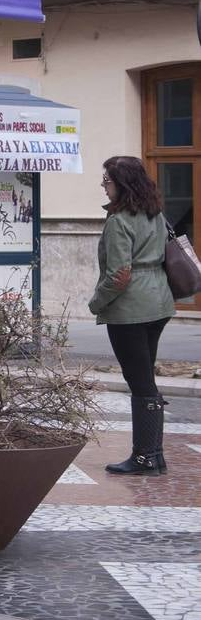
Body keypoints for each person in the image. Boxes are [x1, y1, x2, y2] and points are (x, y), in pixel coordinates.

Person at [89, 156, 175, 476]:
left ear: (122, 184)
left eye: (107, 179)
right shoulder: (155, 214)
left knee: (140, 382)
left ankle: (144, 458)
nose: (103, 184)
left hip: (130, 310)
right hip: (159, 304)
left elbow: (119, 275)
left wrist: (96, 303)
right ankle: (154, 454)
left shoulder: (119, 221)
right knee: (145, 378)